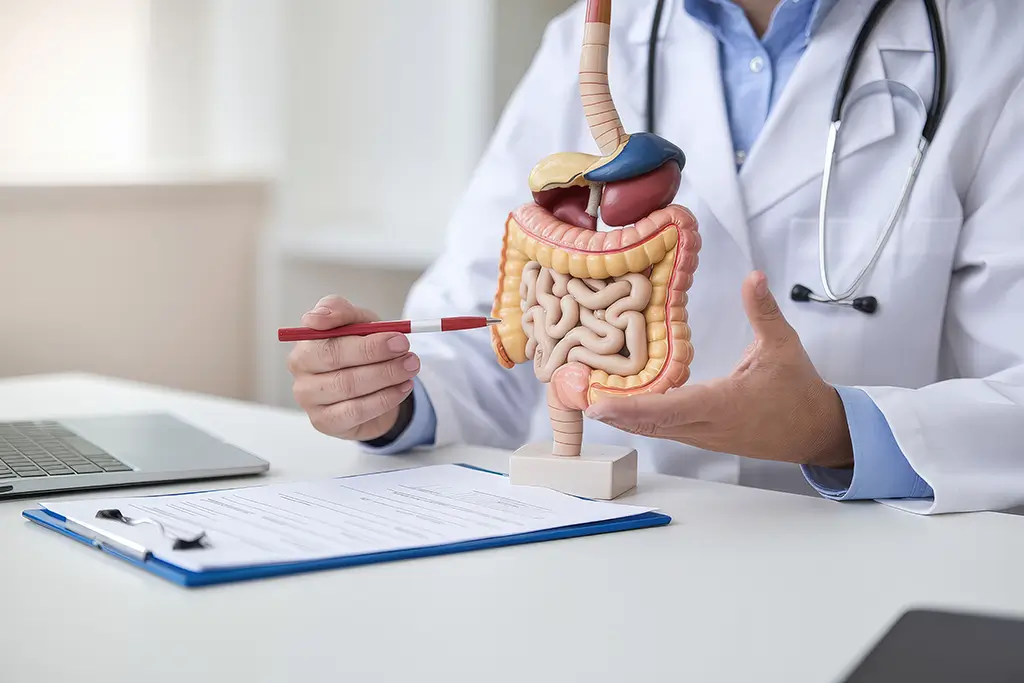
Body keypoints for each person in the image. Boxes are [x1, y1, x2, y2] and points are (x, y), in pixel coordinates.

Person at [287, 0, 1024, 515]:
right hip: (601, 548)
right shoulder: (594, 35)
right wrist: (389, 395)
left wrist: (834, 429)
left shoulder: (994, 45)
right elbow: (489, 331)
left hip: (868, 558)